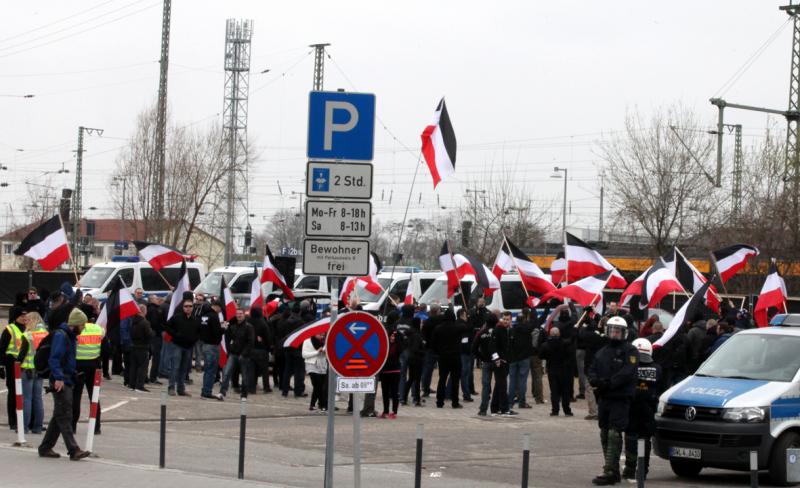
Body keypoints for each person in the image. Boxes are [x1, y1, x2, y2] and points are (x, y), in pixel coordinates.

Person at [588, 316, 639, 486]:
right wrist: (595, 380)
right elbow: (592, 368)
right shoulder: (602, 350)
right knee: (604, 431)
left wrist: (609, 383)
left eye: (618, 331)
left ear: (624, 333)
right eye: (612, 330)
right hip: (605, 397)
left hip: (620, 397)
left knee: (614, 433)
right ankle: (612, 469)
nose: (615, 334)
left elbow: (627, 372)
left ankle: (609, 471)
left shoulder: (630, 351)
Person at [38, 308, 91, 461]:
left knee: (59, 415)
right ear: (75, 324)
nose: (84, 328)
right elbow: (54, 359)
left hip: (66, 378)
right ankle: (74, 450)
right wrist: (59, 378)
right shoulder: (62, 336)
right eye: (82, 325)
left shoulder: (69, 335)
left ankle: (45, 447)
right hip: (60, 380)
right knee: (65, 414)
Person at [622, 338, 663, 483]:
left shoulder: (629, 367)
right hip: (648, 408)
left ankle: (631, 467)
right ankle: (643, 469)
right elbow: (660, 387)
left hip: (632, 407)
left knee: (631, 437)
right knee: (644, 439)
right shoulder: (657, 369)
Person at [72, 306, 104, 434]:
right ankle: (96, 427)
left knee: (76, 397)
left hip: (78, 365)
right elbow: (106, 347)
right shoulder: (97, 329)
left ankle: (72, 425)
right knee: (94, 396)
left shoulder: (76, 330)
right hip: (94, 366)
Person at [217, 307, 255, 400]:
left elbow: (250, 342)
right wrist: (229, 350)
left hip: (244, 355)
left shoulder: (249, 327)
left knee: (244, 375)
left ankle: (244, 394)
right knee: (226, 373)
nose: (239, 315)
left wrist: (244, 354)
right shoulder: (233, 326)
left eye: (240, 314)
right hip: (233, 354)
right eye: (237, 314)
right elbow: (227, 338)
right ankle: (222, 392)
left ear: (244, 315)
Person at [164, 299, 200, 396]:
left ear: (193, 307)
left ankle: (181, 389)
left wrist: (194, 339)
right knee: (175, 367)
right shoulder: (176, 317)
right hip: (177, 345)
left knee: (184, 369)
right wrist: (175, 334)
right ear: (183, 307)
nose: (188, 308)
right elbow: (167, 326)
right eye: (186, 306)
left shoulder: (196, 319)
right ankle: (171, 388)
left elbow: (199, 332)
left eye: (190, 306)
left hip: (188, 347)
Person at [19, 311, 47, 434]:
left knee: (27, 399)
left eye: (27, 320)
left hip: (28, 368)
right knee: (38, 399)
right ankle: (37, 427)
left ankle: (24, 427)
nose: (25, 323)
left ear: (32, 320)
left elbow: (22, 354)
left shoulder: (28, 335)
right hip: (40, 370)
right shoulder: (46, 334)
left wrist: (17, 364)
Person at [432, 308, 465, 409]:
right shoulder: (458, 327)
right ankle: (455, 402)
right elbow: (468, 328)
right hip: (455, 356)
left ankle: (439, 401)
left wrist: (438, 352)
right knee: (455, 380)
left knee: (442, 379)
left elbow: (433, 343)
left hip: (443, 357)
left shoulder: (438, 328)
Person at [2, 308, 28, 431]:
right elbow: (1, 349)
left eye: (25, 316)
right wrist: (1, 366)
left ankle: (23, 419)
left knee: (25, 394)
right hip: (11, 363)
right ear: (16, 317)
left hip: (25, 364)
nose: (24, 318)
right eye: (21, 316)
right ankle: (13, 421)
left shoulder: (28, 328)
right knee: (13, 392)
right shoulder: (9, 329)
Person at [539, 326, 574, 416]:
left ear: (550, 334)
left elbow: (541, 355)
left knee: (554, 391)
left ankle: (555, 410)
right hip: (564, 370)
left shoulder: (546, 345)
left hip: (552, 370)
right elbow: (570, 354)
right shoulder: (565, 343)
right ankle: (567, 410)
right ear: (559, 334)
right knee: (565, 391)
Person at [489, 311, 515, 416]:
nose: (505, 321)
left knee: (499, 385)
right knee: (503, 385)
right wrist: (496, 359)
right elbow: (492, 346)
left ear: (510, 320)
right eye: (504, 319)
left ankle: (495, 408)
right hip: (499, 362)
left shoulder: (509, 330)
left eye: (507, 319)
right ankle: (504, 408)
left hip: (506, 361)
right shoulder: (497, 330)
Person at [508, 308, 535, 409]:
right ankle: (522, 402)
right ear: (524, 319)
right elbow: (535, 322)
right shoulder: (527, 328)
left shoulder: (512, 329)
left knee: (512, 380)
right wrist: (533, 311)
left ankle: (510, 402)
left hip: (513, 358)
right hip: (524, 357)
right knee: (523, 380)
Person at [199, 301, 224, 400]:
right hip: (212, 346)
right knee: (211, 370)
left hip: (205, 344)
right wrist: (223, 329)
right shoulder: (214, 316)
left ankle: (205, 390)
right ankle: (207, 391)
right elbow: (216, 332)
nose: (219, 311)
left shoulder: (204, 316)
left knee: (207, 369)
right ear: (216, 307)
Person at [473, 312, 496, 416]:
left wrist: (481, 357)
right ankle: (497, 407)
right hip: (497, 361)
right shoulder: (499, 331)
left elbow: (473, 348)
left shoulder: (481, 333)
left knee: (486, 386)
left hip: (486, 361)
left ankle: (483, 408)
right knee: (500, 384)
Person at [129, 304, 154, 392]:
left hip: (134, 346)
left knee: (134, 367)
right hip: (143, 347)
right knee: (142, 367)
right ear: (144, 311)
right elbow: (149, 335)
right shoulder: (145, 322)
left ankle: (132, 385)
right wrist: (152, 333)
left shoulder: (132, 321)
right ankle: (139, 385)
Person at [420, 303, 443, 398]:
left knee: (427, 370)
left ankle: (425, 389)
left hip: (429, 348)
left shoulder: (427, 321)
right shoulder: (441, 320)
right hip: (440, 348)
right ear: (437, 311)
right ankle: (442, 389)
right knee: (443, 371)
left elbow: (423, 334)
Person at [249, 307, 273, 393]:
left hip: (251, 349)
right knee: (264, 370)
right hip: (262, 350)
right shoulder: (263, 323)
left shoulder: (249, 322)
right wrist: (268, 347)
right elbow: (268, 337)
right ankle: (266, 387)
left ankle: (252, 387)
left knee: (252, 370)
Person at [302, 332, 328, 411]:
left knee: (319, 387)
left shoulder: (325, 342)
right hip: (311, 365)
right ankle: (322, 405)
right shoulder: (307, 341)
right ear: (315, 333)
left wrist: (325, 351)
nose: (321, 336)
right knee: (318, 385)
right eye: (320, 334)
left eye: (323, 335)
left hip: (322, 366)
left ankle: (313, 405)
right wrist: (317, 352)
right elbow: (304, 355)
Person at [147, 295, 165, 385]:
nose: (158, 299)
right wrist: (161, 330)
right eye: (156, 298)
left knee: (148, 357)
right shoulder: (155, 310)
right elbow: (155, 323)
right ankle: (153, 377)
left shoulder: (149, 309)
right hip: (155, 336)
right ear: (152, 300)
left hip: (151, 335)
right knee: (156, 357)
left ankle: (147, 377)